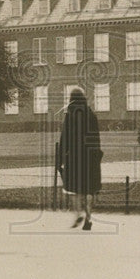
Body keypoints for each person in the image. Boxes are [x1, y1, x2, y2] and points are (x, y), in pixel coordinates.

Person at [57, 88, 102, 230]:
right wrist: (97, 155)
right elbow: (96, 138)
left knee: (73, 188)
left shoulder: (70, 115)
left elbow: (65, 138)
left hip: (75, 157)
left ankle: (78, 214)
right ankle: (88, 218)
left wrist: (60, 158)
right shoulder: (91, 115)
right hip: (91, 156)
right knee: (90, 189)